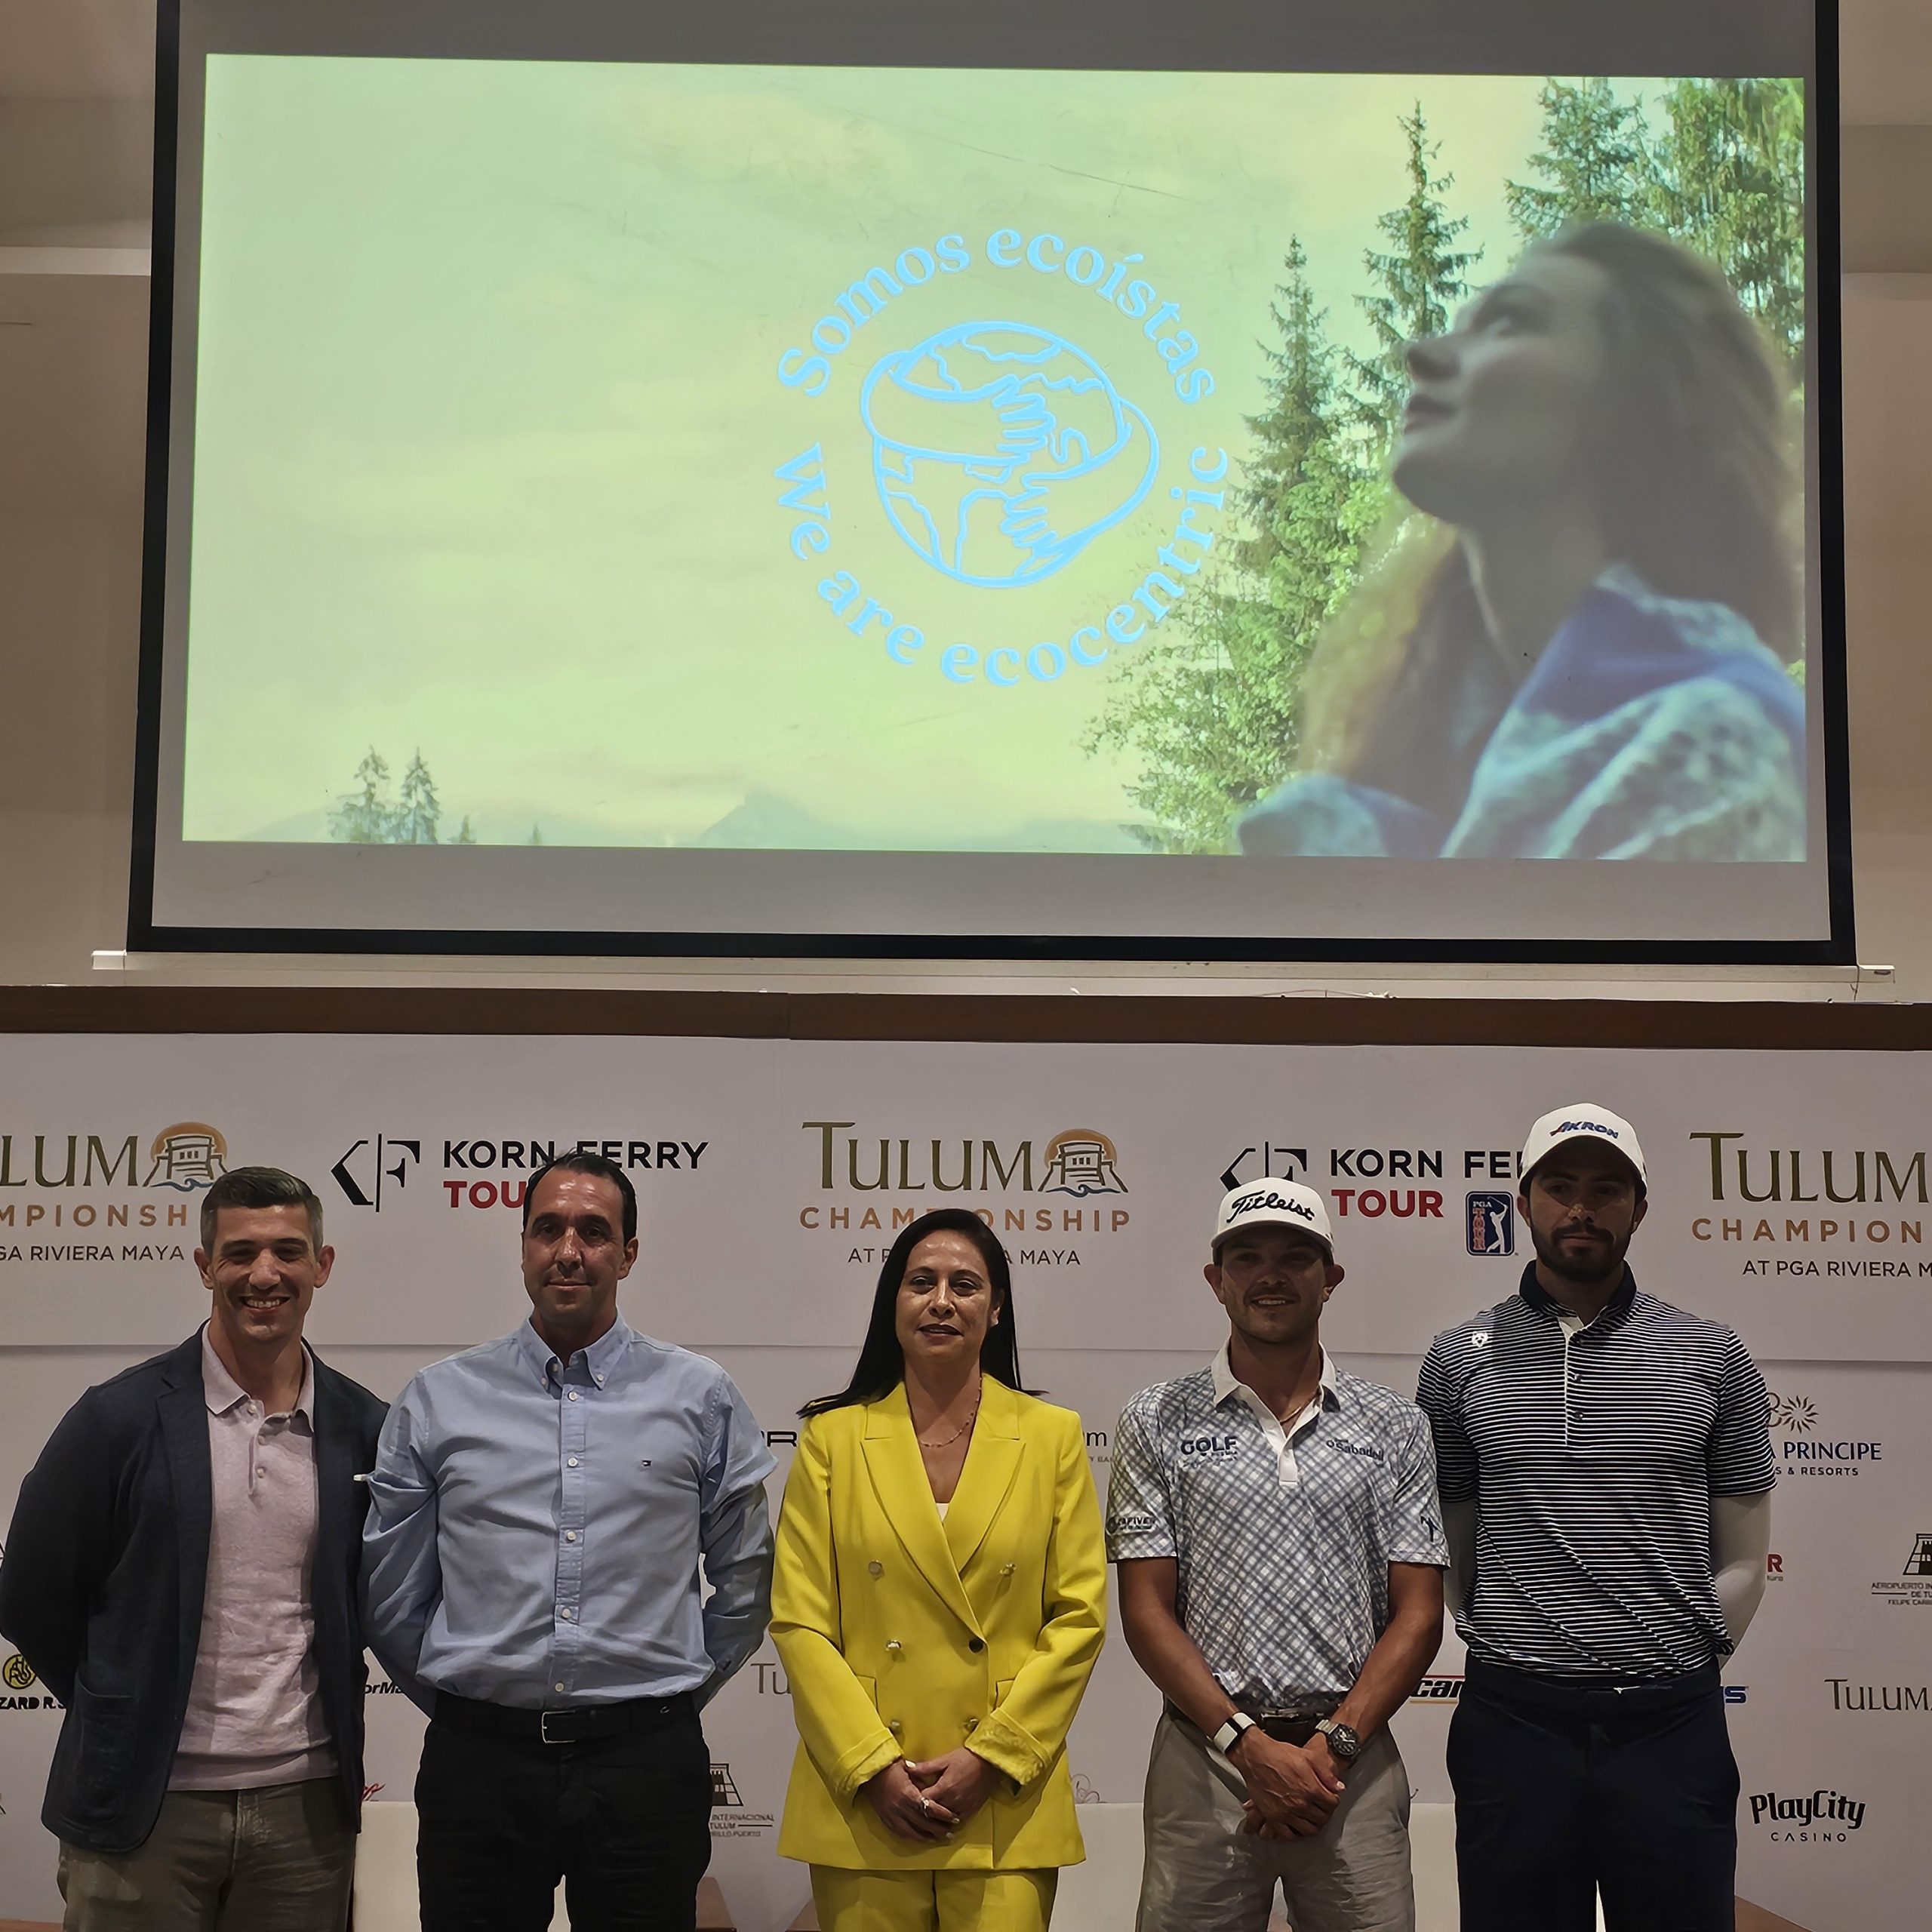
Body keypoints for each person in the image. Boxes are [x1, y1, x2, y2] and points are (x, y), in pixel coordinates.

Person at [1239, 221, 1804, 862]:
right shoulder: (1405, 793)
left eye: (1509, 323)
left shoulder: (1723, 745)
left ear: (1643, 401)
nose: (1422, 355)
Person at [361, 1149, 774, 1932]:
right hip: (479, 1765)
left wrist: (667, 1699)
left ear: (628, 1252)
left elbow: (747, 1580)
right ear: (522, 1246)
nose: (569, 1250)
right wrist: (472, 1704)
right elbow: (391, 1597)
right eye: (548, 1229)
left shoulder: (700, 1396)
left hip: (644, 1765)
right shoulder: (439, 1398)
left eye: (594, 1231)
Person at [1415, 1103, 1775, 1932]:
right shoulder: (1457, 1356)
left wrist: (1682, 1661)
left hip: (1670, 1728)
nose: (1581, 1208)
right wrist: (1507, 1640)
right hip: (1513, 1724)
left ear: (1639, 1208)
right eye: (1560, 1186)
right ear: (1523, 1203)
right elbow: (1452, 1536)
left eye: (1607, 1189)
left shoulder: (1711, 1353)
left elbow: (1746, 1558)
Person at [0, 1166, 386, 1932]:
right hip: (144, 1806)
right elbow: (28, 1593)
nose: (265, 1274)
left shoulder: (365, 1426)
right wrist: (121, 1698)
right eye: (240, 1253)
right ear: (206, 1266)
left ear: (321, 1265)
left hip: (307, 1810)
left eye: (287, 1251)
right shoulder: (117, 1417)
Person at [1107, 1179, 1447, 1932]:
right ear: (1216, 1279)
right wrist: (1246, 1745)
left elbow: (1420, 1615)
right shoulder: (1154, 1417)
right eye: (1247, 1257)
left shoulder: (1396, 1424)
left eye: (1296, 1258)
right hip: (1206, 1757)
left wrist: (1335, 1745)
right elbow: (1146, 1611)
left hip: (1351, 1761)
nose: (1271, 1275)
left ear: (1330, 1278)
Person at [770, 1208, 1106, 1932]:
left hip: (1003, 1797)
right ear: (893, 1302)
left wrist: (992, 1757)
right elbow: (800, 1621)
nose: (942, 1301)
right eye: (921, 1282)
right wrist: (870, 1767)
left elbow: (1079, 1617)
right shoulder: (831, 1438)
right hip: (866, 1798)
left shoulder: (1053, 1437)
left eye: (965, 1285)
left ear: (997, 1308)